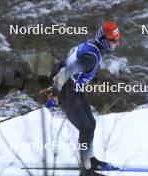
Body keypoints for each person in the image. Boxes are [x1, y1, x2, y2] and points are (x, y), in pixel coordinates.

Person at [46, 21, 120, 176]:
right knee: (85, 128)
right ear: (104, 40)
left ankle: (90, 160)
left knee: (90, 124)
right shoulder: (91, 58)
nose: (116, 44)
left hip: (74, 89)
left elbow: (70, 55)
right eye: (113, 41)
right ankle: (86, 172)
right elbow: (64, 73)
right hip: (67, 90)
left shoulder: (93, 45)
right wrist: (54, 94)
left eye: (117, 39)